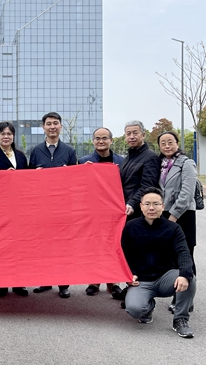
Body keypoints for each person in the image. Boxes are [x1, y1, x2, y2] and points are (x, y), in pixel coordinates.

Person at [121, 187, 196, 338]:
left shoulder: (173, 228)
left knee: (189, 278)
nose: (151, 208)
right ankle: (148, 307)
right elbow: (123, 255)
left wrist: (184, 274)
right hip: (141, 280)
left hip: (166, 278)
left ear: (163, 206)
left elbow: (183, 253)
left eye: (156, 204)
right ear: (141, 206)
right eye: (147, 204)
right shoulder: (130, 227)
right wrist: (129, 275)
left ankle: (180, 319)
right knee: (135, 309)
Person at [30, 112, 77, 299]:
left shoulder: (69, 151)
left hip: (63, 207)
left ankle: (63, 284)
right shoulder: (35, 151)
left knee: (63, 246)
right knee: (43, 245)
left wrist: (68, 174)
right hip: (42, 207)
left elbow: (76, 180)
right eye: (48, 124)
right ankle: (45, 280)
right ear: (43, 127)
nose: (52, 127)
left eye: (55, 123)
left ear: (61, 127)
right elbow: (28, 178)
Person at [0, 122, 29, 297]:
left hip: (19, 208)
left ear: (13, 136)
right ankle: (2, 283)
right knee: (1, 246)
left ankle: (19, 283)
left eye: (9, 133)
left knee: (19, 247)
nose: (6, 136)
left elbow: (28, 180)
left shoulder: (21, 156)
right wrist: (3, 177)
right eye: (2, 133)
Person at [78, 127, 124, 299]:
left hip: (114, 211)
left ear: (111, 140)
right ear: (93, 141)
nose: (101, 141)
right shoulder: (84, 161)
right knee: (94, 245)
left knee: (114, 245)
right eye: (97, 138)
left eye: (104, 138)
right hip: (92, 211)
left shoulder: (122, 161)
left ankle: (113, 282)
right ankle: (94, 281)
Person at [158, 131, 197, 314]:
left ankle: (186, 300)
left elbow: (187, 193)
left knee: (186, 255)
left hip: (183, 215)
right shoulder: (160, 164)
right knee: (171, 257)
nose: (167, 146)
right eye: (163, 143)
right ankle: (176, 293)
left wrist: (173, 216)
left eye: (170, 142)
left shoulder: (186, 163)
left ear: (177, 143)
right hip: (163, 214)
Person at [119, 120, 160, 222]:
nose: (131, 137)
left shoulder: (150, 157)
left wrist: (132, 203)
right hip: (125, 208)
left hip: (137, 211)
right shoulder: (127, 158)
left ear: (143, 135)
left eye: (135, 133)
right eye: (128, 134)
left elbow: (147, 186)